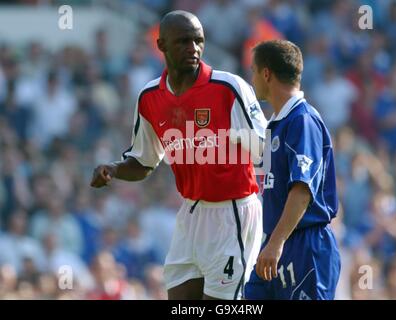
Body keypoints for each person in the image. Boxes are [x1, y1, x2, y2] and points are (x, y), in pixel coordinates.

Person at [90, 10, 267, 300]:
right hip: (191, 214)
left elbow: (266, 147)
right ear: (161, 46)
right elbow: (144, 162)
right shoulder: (149, 97)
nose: (193, 48)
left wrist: (233, 139)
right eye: (184, 41)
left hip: (233, 212)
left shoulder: (229, 87)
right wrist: (113, 168)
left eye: (198, 41)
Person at [245, 40, 341, 300]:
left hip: (304, 245)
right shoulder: (277, 124)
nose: (252, 78)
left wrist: (276, 243)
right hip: (275, 243)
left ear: (266, 74)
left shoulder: (303, 120)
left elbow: (301, 191)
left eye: (253, 71)